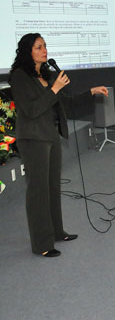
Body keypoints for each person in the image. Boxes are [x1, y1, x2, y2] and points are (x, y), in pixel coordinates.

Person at [9, 33, 108, 257]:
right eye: (38, 47)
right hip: (33, 139)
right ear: (27, 51)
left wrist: (91, 92)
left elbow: (67, 104)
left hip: (51, 135)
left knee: (53, 186)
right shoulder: (19, 76)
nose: (44, 50)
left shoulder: (45, 75)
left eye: (45, 46)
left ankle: (56, 232)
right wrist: (53, 89)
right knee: (38, 191)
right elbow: (31, 110)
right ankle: (42, 244)